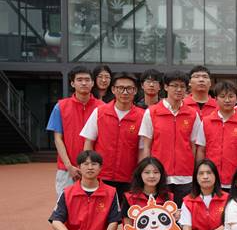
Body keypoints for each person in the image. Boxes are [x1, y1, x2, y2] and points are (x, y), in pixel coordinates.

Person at [139, 70, 205, 205]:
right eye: (174, 85)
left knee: (183, 213)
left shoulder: (192, 114)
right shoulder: (152, 112)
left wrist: (194, 171)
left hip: (185, 176)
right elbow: (146, 146)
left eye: (182, 86)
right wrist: (146, 172)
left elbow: (194, 145)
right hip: (159, 175)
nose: (179, 90)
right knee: (160, 213)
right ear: (165, 87)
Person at [81, 72, 144, 202]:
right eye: (120, 88)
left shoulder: (142, 116)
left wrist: (141, 174)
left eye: (129, 88)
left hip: (129, 177)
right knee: (100, 210)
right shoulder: (100, 112)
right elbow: (89, 142)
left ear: (135, 91)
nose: (125, 92)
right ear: (113, 89)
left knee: (127, 211)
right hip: (102, 175)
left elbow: (143, 149)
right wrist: (88, 167)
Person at [47, 66, 103, 197]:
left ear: (93, 83)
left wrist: (92, 166)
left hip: (95, 169)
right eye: (79, 80)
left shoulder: (102, 108)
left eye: (87, 80)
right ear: (72, 83)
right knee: (65, 205)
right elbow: (58, 138)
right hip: (67, 169)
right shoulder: (60, 106)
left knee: (94, 206)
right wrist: (69, 166)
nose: (84, 83)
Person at [198, 81, 237, 190]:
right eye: (222, 96)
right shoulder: (206, 122)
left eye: (231, 96)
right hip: (211, 179)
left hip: (236, 180)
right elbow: (201, 149)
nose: (227, 100)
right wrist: (200, 173)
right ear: (215, 99)